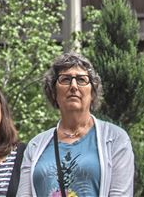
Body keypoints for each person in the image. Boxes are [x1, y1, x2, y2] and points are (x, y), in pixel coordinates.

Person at [18, 54, 133, 197]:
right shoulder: (35, 146)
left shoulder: (115, 138)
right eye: (65, 79)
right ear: (54, 92)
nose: (73, 86)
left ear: (93, 92)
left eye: (81, 80)